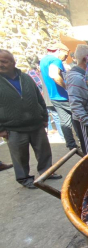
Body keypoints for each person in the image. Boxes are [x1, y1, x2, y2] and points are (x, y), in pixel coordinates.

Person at [0, 49, 61, 189]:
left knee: (43, 151)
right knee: (20, 156)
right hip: (13, 128)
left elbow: (39, 98)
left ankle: (47, 172)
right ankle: (24, 178)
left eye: (4, 61)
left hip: (36, 123)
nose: (1, 64)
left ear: (13, 62)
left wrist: (44, 117)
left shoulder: (26, 78)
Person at [40, 42, 78, 150]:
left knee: (65, 121)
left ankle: (71, 144)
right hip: (63, 96)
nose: (65, 58)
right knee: (79, 116)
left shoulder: (43, 60)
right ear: (59, 50)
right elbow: (54, 75)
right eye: (65, 55)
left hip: (54, 97)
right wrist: (67, 87)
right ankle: (83, 140)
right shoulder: (55, 60)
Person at [27, 55, 64, 138]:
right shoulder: (33, 74)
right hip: (43, 96)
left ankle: (52, 130)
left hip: (42, 97)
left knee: (49, 113)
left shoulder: (31, 73)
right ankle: (61, 135)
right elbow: (40, 85)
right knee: (55, 115)